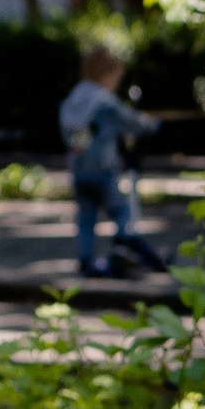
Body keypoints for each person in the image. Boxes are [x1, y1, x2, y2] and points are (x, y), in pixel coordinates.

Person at [57, 46, 167, 278]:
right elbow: (128, 119)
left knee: (86, 216)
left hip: (78, 168)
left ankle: (86, 259)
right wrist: (152, 125)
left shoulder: (74, 97)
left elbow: (70, 130)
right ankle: (123, 246)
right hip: (103, 167)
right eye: (116, 79)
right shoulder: (104, 100)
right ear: (106, 75)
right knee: (121, 209)